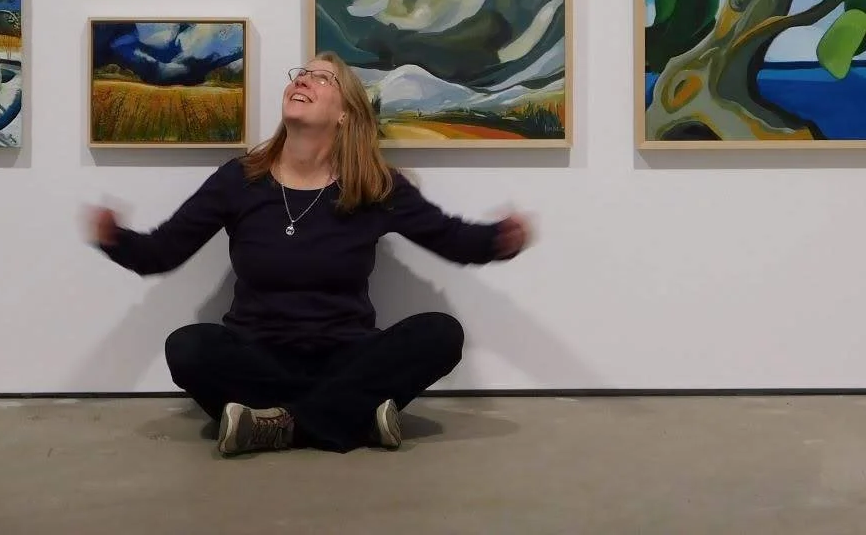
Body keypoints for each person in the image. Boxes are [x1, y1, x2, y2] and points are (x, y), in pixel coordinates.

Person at [85, 52, 532, 456]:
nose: (304, 80)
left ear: (345, 114)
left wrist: (497, 240)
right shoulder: (237, 180)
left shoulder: (376, 187)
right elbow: (162, 251)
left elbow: (450, 237)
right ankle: (355, 415)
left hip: (349, 354)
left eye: (323, 79)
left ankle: (277, 425)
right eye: (301, 73)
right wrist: (115, 239)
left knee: (441, 333)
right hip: (257, 355)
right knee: (187, 347)